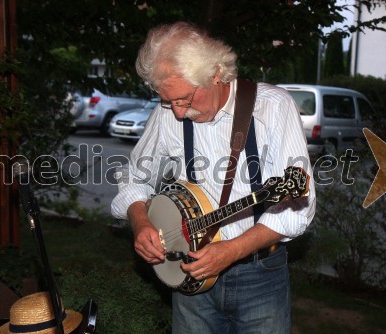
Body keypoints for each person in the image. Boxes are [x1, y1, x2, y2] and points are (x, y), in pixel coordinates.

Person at [111, 21, 316, 333]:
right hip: (187, 271)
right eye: (170, 101)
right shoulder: (169, 112)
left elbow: (299, 210)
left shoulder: (273, 108)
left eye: (185, 100)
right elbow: (133, 177)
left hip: (259, 275)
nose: (178, 112)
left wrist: (231, 251)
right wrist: (140, 222)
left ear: (216, 73)